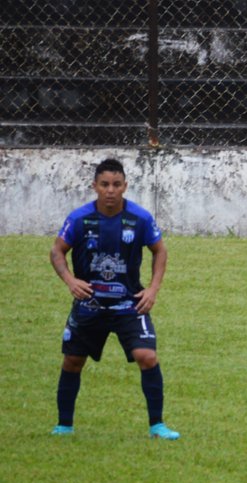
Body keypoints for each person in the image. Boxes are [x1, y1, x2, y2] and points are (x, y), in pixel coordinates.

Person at [49, 158, 179, 440]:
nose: (110, 190)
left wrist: (153, 290)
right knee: (72, 360)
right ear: (95, 186)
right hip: (90, 304)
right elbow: (57, 251)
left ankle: (157, 425)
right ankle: (64, 425)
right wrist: (71, 281)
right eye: (105, 184)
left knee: (147, 356)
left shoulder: (140, 219)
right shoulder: (80, 219)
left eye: (116, 185)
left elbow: (161, 251)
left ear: (125, 187)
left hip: (129, 304)